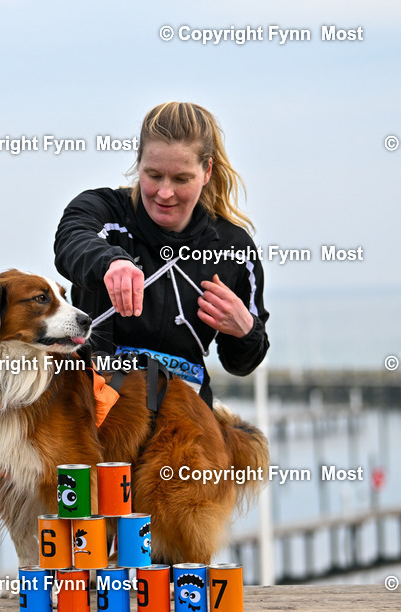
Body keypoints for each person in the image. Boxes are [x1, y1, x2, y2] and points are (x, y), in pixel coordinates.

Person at [54, 102, 268, 404]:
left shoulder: (234, 248)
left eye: (181, 179)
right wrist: (111, 262)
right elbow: (71, 240)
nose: (164, 193)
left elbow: (242, 363)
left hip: (186, 417)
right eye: (153, 175)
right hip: (100, 411)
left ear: (206, 171)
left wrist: (245, 329)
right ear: (139, 162)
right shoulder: (104, 210)